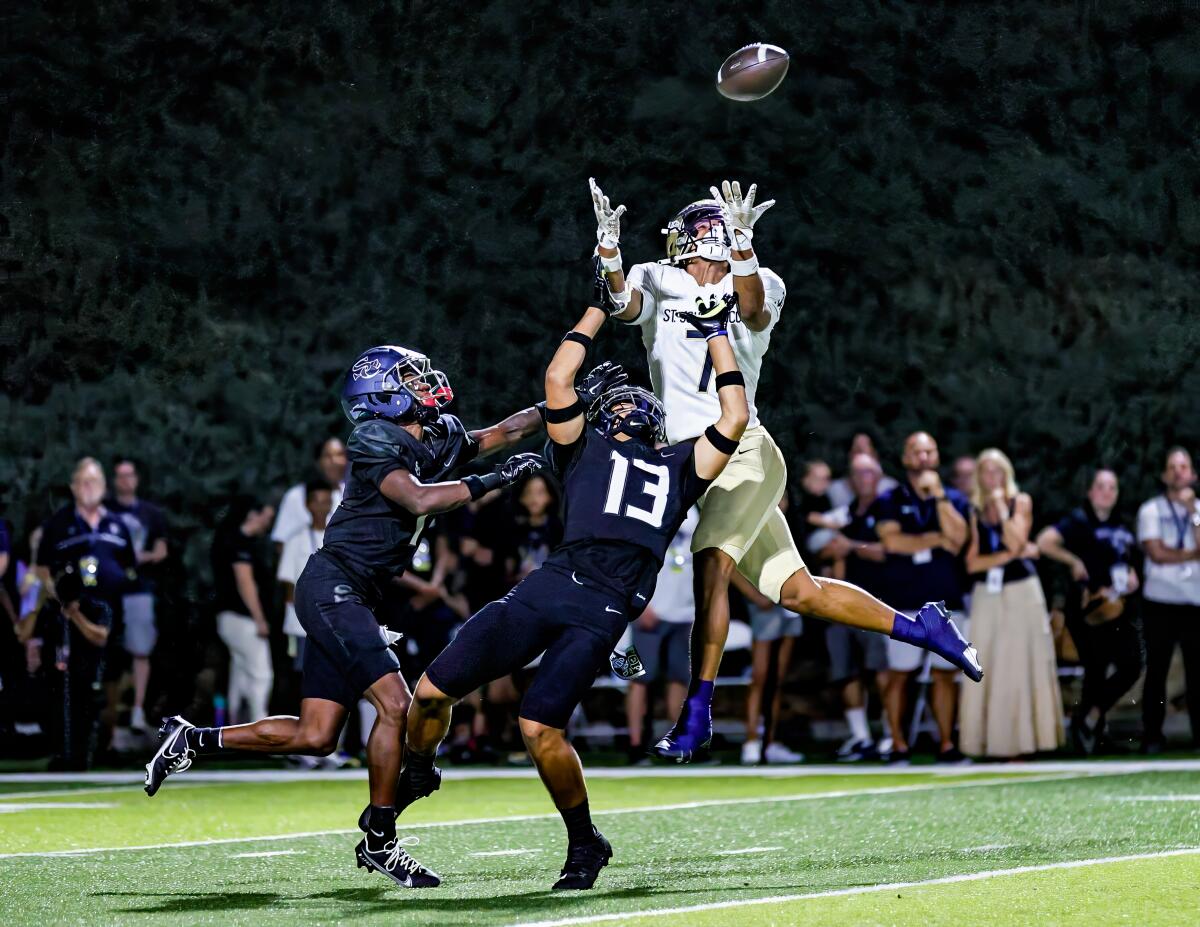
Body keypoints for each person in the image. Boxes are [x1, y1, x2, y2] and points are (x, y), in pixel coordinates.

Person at [589, 178, 982, 761]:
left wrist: (745, 246)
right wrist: (608, 252)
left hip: (743, 448)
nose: (684, 243)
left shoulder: (759, 278)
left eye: (692, 233)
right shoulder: (661, 278)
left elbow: (751, 310)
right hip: (688, 459)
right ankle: (922, 627)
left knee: (710, 565)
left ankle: (697, 712)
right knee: (797, 591)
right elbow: (622, 304)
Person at [145, 342, 548, 890]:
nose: (425, 382)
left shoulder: (434, 434)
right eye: (410, 377)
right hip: (334, 586)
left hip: (358, 594)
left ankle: (191, 741)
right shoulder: (374, 439)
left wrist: (561, 406)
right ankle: (381, 839)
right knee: (396, 705)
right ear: (381, 396)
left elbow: (503, 432)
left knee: (316, 737)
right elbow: (419, 500)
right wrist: (491, 481)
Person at [400, 278, 749, 891]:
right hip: (554, 586)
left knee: (537, 728)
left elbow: (560, 382)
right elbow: (733, 413)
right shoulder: (645, 456)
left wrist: (599, 309)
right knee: (430, 691)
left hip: (600, 609)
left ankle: (585, 841)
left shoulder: (649, 458)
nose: (621, 409)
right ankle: (420, 768)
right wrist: (715, 333)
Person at [873, 432, 972, 765]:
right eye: (916, 451)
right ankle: (898, 745)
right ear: (905, 458)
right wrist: (936, 539)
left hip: (946, 601)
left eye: (930, 451)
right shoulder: (889, 498)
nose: (924, 457)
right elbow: (893, 543)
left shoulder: (955, 499)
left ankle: (947, 745)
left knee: (946, 674)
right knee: (900, 674)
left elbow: (957, 542)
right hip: (903, 601)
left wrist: (939, 496)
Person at [958, 449, 1062, 759]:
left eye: (997, 471)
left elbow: (1017, 539)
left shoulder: (1021, 502)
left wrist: (1003, 511)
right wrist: (1008, 555)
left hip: (1021, 592)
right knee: (984, 662)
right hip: (987, 594)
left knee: (1019, 666)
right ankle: (988, 743)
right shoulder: (974, 510)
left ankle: (1024, 743)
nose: (992, 478)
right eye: (986, 472)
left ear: (1006, 474)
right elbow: (973, 563)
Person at [1037, 468, 1141, 754]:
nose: (1107, 492)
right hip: (1088, 607)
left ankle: (1089, 717)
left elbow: (1126, 560)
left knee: (1132, 664)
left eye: (1112, 487)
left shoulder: (1122, 524)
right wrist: (1072, 561)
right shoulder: (1079, 520)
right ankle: (1090, 735)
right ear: (1090, 491)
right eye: (1101, 486)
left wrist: (1132, 576)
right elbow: (1045, 542)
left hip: (1117, 607)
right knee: (1095, 668)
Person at [37, 458, 137, 748]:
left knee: (111, 679)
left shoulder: (117, 525)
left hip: (110, 614)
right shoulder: (58, 524)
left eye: (94, 481)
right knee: (74, 683)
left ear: (104, 487)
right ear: (73, 487)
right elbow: (42, 568)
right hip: (72, 615)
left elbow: (128, 567)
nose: (88, 487)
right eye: (83, 481)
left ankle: (105, 742)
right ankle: (70, 746)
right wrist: (59, 597)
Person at [821, 453, 891, 761]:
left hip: (878, 603)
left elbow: (889, 552)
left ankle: (892, 734)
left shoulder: (888, 509)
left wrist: (851, 547)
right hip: (842, 606)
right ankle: (861, 737)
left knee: (882, 671)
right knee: (845, 671)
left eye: (869, 472)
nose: (864, 478)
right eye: (858, 473)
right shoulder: (845, 513)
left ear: (878, 477)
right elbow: (826, 552)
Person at [1135, 447, 1200, 753]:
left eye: (1183, 466)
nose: (1178, 471)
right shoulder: (1151, 509)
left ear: (1192, 474)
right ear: (1164, 475)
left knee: (1197, 671)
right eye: (1172, 466)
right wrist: (1190, 555)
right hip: (1159, 601)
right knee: (1157, 670)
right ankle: (1152, 735)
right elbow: (1156, 553)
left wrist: (1194, 515)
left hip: (1194, 602)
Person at [625, 508, 698, 764]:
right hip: (653, 607)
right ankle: (635, 746)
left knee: (680, 678)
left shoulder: (696, 506)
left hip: (684, 610)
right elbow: (632, 552)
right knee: (640, 679)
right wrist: (638, 601)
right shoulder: (653, 498)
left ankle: (677, 745)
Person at [737, 497, 804, 765]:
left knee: (777, 679)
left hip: (788, 605)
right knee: (760, 678)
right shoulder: (751, 524)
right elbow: (731, 568)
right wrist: (757, 598)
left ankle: (769, 741)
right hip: (765, 608)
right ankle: (751, 741)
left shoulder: (787, 526)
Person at [107, 456, 169, 734]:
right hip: (107, 589)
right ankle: (107, 715)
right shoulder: (104, 511)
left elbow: (161, 551)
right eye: (120, 475)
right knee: (108, 651)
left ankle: (137, 711)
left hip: (139, 588)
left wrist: (137, 557)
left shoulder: (151, 513)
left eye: (129, 475)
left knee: (140, 649)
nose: (125, 480)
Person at [211, 495, 276, 724]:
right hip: (241, 618)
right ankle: (261, 728)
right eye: (266, 517)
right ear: (252, 514)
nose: (267, 523)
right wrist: (259, 618)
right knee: (261, 674)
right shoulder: (238, 542)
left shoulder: (233, 541)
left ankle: (236, 729)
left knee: (240, 675)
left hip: (230, 618)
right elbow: (245, 582)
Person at [39, 566, 112, 769]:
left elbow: (100, 637)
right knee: (57, 717)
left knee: (85, 720)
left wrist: (75, 615)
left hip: (87, 674)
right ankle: (60, 755)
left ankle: (82, 758)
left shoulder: (96, 607)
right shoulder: (51, 610)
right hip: (58, 677)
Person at [277, 480, 334, 671]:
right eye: (317, 501)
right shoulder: (296, 538)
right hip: (301, 621)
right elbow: (287, 581)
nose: (322, 506)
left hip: (333, 618)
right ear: (308, 505)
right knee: (302, 670)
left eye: (326, 501)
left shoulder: (336, 537)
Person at [271, 438, 348, 547]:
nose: (334, 461)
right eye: (327, 456)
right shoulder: (296, 496)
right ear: (318, 462)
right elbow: (281, 542)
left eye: (340, 455)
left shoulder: (354, 495)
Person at [827, 433, 898, 510]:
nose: (861, 453)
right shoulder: (835, 489)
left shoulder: (890, 488)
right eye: (857, 450)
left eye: (865, 450)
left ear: (875, 455)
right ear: (849, 455)